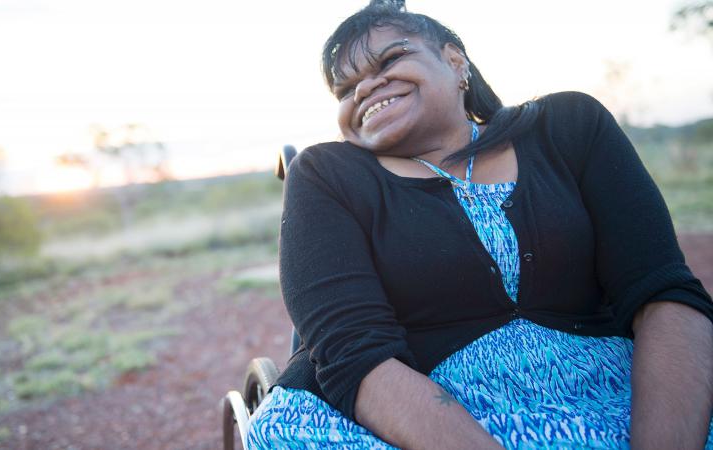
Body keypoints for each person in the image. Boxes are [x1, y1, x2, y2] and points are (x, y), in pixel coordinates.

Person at [247, 1, 713, 448]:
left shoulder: (567, 128)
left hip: (616, 389)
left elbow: (663, 293)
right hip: (414, 413)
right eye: (346, 89)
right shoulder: (328, 175)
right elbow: (352, 353)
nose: (365, 89)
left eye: (390, 59)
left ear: (455, 63)